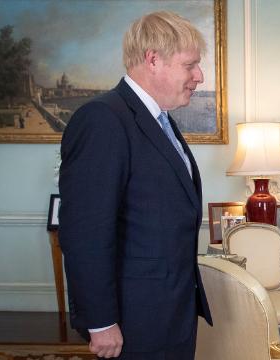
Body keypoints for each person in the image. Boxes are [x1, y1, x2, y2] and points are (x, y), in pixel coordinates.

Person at [58, 11, 211, 359]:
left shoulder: (159, 120)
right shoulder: (103, 119)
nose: (199, 76)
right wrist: (100, 322)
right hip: (134, 319)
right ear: (153, 60)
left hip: (169, 312)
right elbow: (85, 232)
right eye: (191, 65)